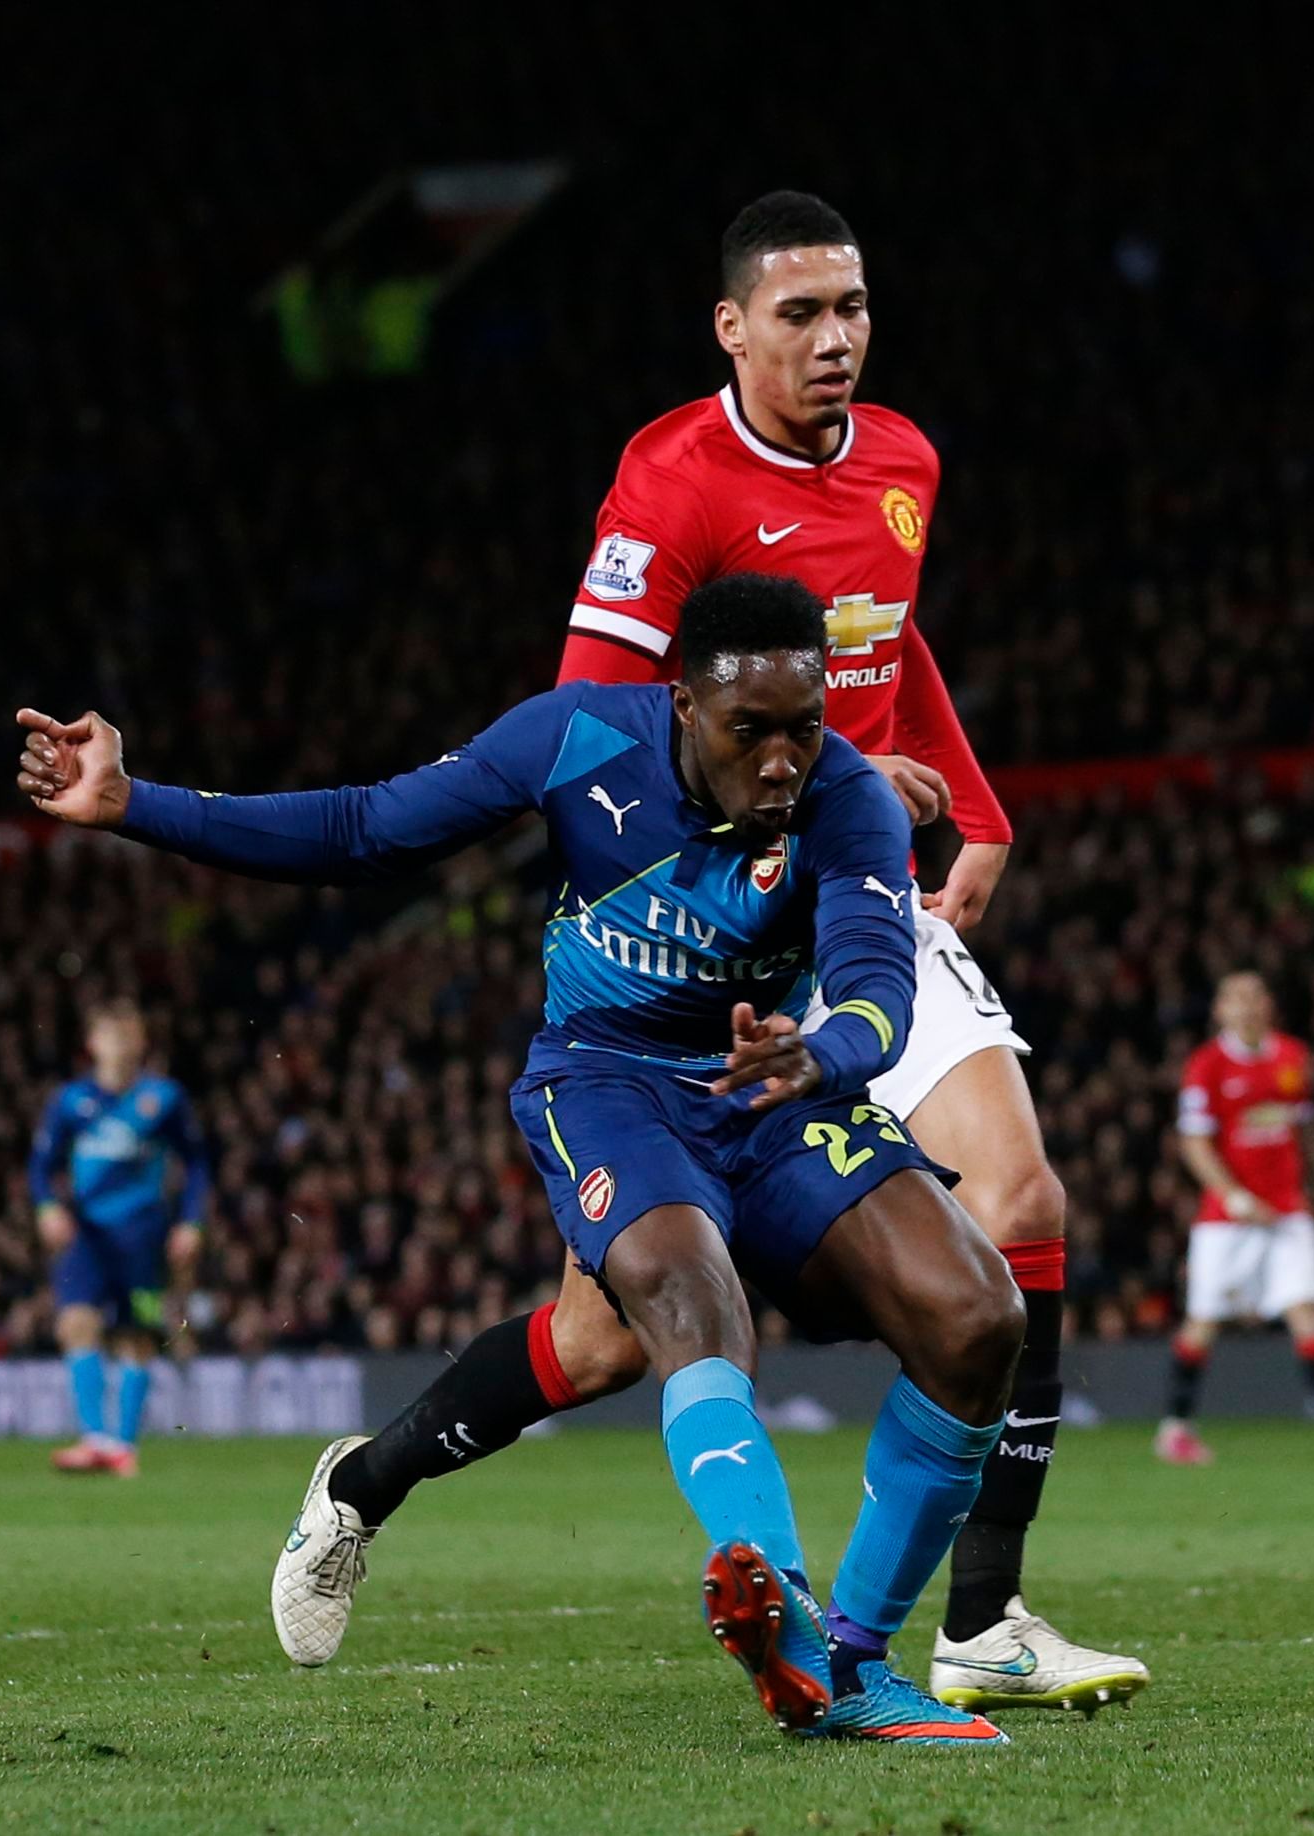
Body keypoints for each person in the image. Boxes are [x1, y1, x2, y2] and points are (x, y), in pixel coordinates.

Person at [363, 188, 1137, 1713]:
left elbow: (888, 634)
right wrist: (755, 843)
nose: (836, 338)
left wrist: (969, 803)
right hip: (716, 934)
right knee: (602, 1343)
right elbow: (594, 726)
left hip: (856, 897)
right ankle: (367, 1479)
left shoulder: (905, 460)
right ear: (731, 328)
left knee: (1025, 1199)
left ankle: (982, 1617)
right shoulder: (670, 482)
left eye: (853, 308)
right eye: (801, 314)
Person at [15, 575, 1019, 1745]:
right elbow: (363, 829)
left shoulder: (849, 799)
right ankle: (787, 1615)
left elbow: (879, 990)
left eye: (804, 727)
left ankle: (841, 1657)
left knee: (973, 1317)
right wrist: (132, 801)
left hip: (779, 1079)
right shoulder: (577, 736)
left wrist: (820, 1054)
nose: (782, 761)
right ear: (684, 706)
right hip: (609, 1080)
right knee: (688, 1293)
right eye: (751, 731)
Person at [1155, 971, 1314, 1466]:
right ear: (1220, 1010)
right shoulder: (1207, 1066)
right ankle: (1175, 1429)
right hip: (1227, 1219)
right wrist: (1235, 1198)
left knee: (1308, 1311)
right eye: (1236, 998)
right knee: (1203, 1321)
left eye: (1255, 996)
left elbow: (1307, 1134)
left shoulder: (1292, 1057)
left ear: (1269, 1005)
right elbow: (1194, 1143)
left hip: (1287, 1211)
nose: (1247, 1006)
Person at [27, 1001, 210, 1478]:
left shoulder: (163, 1098)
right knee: (75, 1322)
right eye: (111, 1035)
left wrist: (191, 1222)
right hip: (87, 1233)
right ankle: (95, 1439)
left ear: (142, 1042)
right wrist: (48, 1208)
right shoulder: (71, 1101)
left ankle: (123, 1446)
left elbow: (196, 1163)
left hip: (144, 1234)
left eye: (128, 1034)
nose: (120, 1044)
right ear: (93, 1043)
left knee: (137, 1336)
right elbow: (41, 1166)